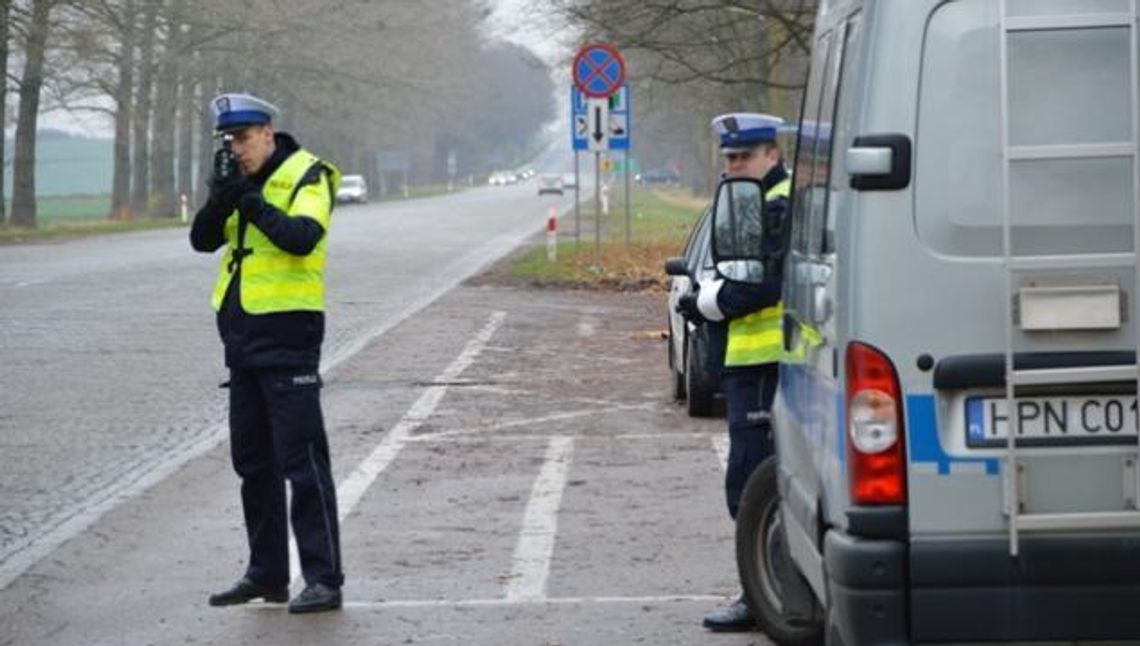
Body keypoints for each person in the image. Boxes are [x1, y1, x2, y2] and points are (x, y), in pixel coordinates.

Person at [190, 92, 345, 614]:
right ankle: (268, 573)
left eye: (241, 138)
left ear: (267, 134)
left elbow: (302, 238)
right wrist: (220, 198)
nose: (235, 149)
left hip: (289, 338)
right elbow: (201, 241)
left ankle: (324, 578)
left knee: (303, 464)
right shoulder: (240, 181)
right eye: (228, 141)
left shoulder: (308, 175)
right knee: (253, 464)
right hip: (242, 342)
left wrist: (251, 202)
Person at [677, 112, 791, 632]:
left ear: (772, 155)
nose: (732, 166)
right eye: (727, 159)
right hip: (751, 363)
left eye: (743, 157)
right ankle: (767, 588)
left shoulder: (778, 205)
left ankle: (764, 594)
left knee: (754, 485)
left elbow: (767, 284)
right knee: (752, 483)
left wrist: (707, 302)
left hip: (769, 365)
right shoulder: (751, 202)